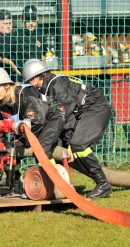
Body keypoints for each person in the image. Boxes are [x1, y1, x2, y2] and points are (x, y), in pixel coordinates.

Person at [22, 59, 113, 198]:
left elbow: (66, 116)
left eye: (33, 78)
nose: (32, 82)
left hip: (96, 108)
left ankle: (103, 183)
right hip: (81, 112)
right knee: (57, 146)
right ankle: (60, 184)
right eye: (29, 80)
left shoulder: (57, 85)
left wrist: (70, 143)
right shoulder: (45, 88)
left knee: (78, 145)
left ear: (41, 75)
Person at [0, 66, 62, 161]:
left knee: (42, 152)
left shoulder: (23, 94)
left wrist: (21, 141)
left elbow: (37, 122)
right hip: (33, 126)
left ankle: (52, 174)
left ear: (6, 85)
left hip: (52, 119)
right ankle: (14, 175)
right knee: (10, 154)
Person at [0, 9, 21, 81]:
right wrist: (9, 62)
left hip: (11, 75)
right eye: (5, 23)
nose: (8, 26)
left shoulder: (13, 35)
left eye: (10, 23)